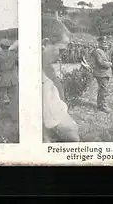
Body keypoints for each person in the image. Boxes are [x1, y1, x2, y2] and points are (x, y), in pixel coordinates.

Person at [42, 13, 80, 142]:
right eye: (61, 50)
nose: (61, 57)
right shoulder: (43, 80)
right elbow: (70, 132)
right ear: (45, 44)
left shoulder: (44, 66)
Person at [90, 36, 113, 113]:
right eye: (103, 42)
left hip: (104, 73)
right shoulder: (97, 51)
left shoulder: (103, 51)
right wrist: (109, 64)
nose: (105, 43)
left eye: (105, 42)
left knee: (102, 89)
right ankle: (103, 106)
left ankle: (100, 105)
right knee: (104, 90)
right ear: (99, 43)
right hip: (101, 73)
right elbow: (100, 63)